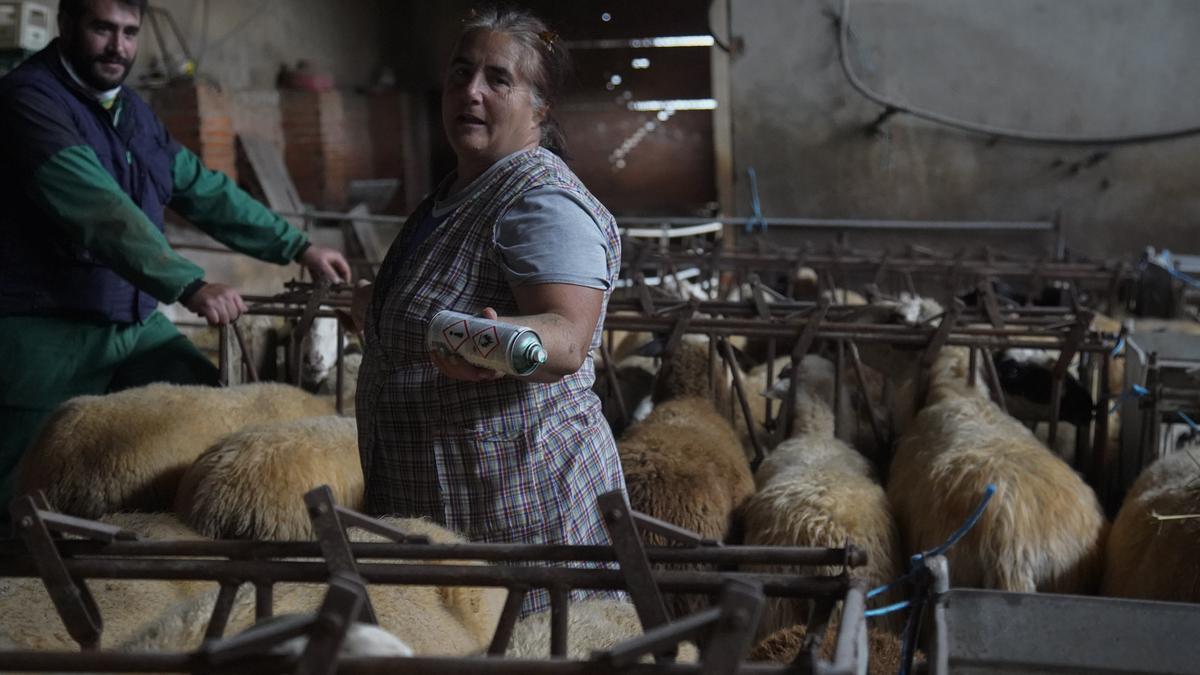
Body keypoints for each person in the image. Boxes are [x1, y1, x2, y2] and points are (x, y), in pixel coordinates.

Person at [0, 0, 351, 506]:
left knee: (208, 409)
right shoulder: (28, 101)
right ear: (67, 24)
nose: (118, 47)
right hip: (46, 329)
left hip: (131, 322)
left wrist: (296, 245)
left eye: (129, 32)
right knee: (21, 481)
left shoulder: (131, 113)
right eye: (102, 29)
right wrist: (187, 282)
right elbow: (98, 207)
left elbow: (203, 188)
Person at [351, 7, 625, 614]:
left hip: (520, 514)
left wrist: (475, 341)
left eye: (497, 79)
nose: (470, 92)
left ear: (540, 106)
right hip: (450, 505)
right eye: (460, 73)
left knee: (535, 649)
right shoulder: (453, 191)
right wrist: (381, 309)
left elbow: (566, 339)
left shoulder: (540, 200)